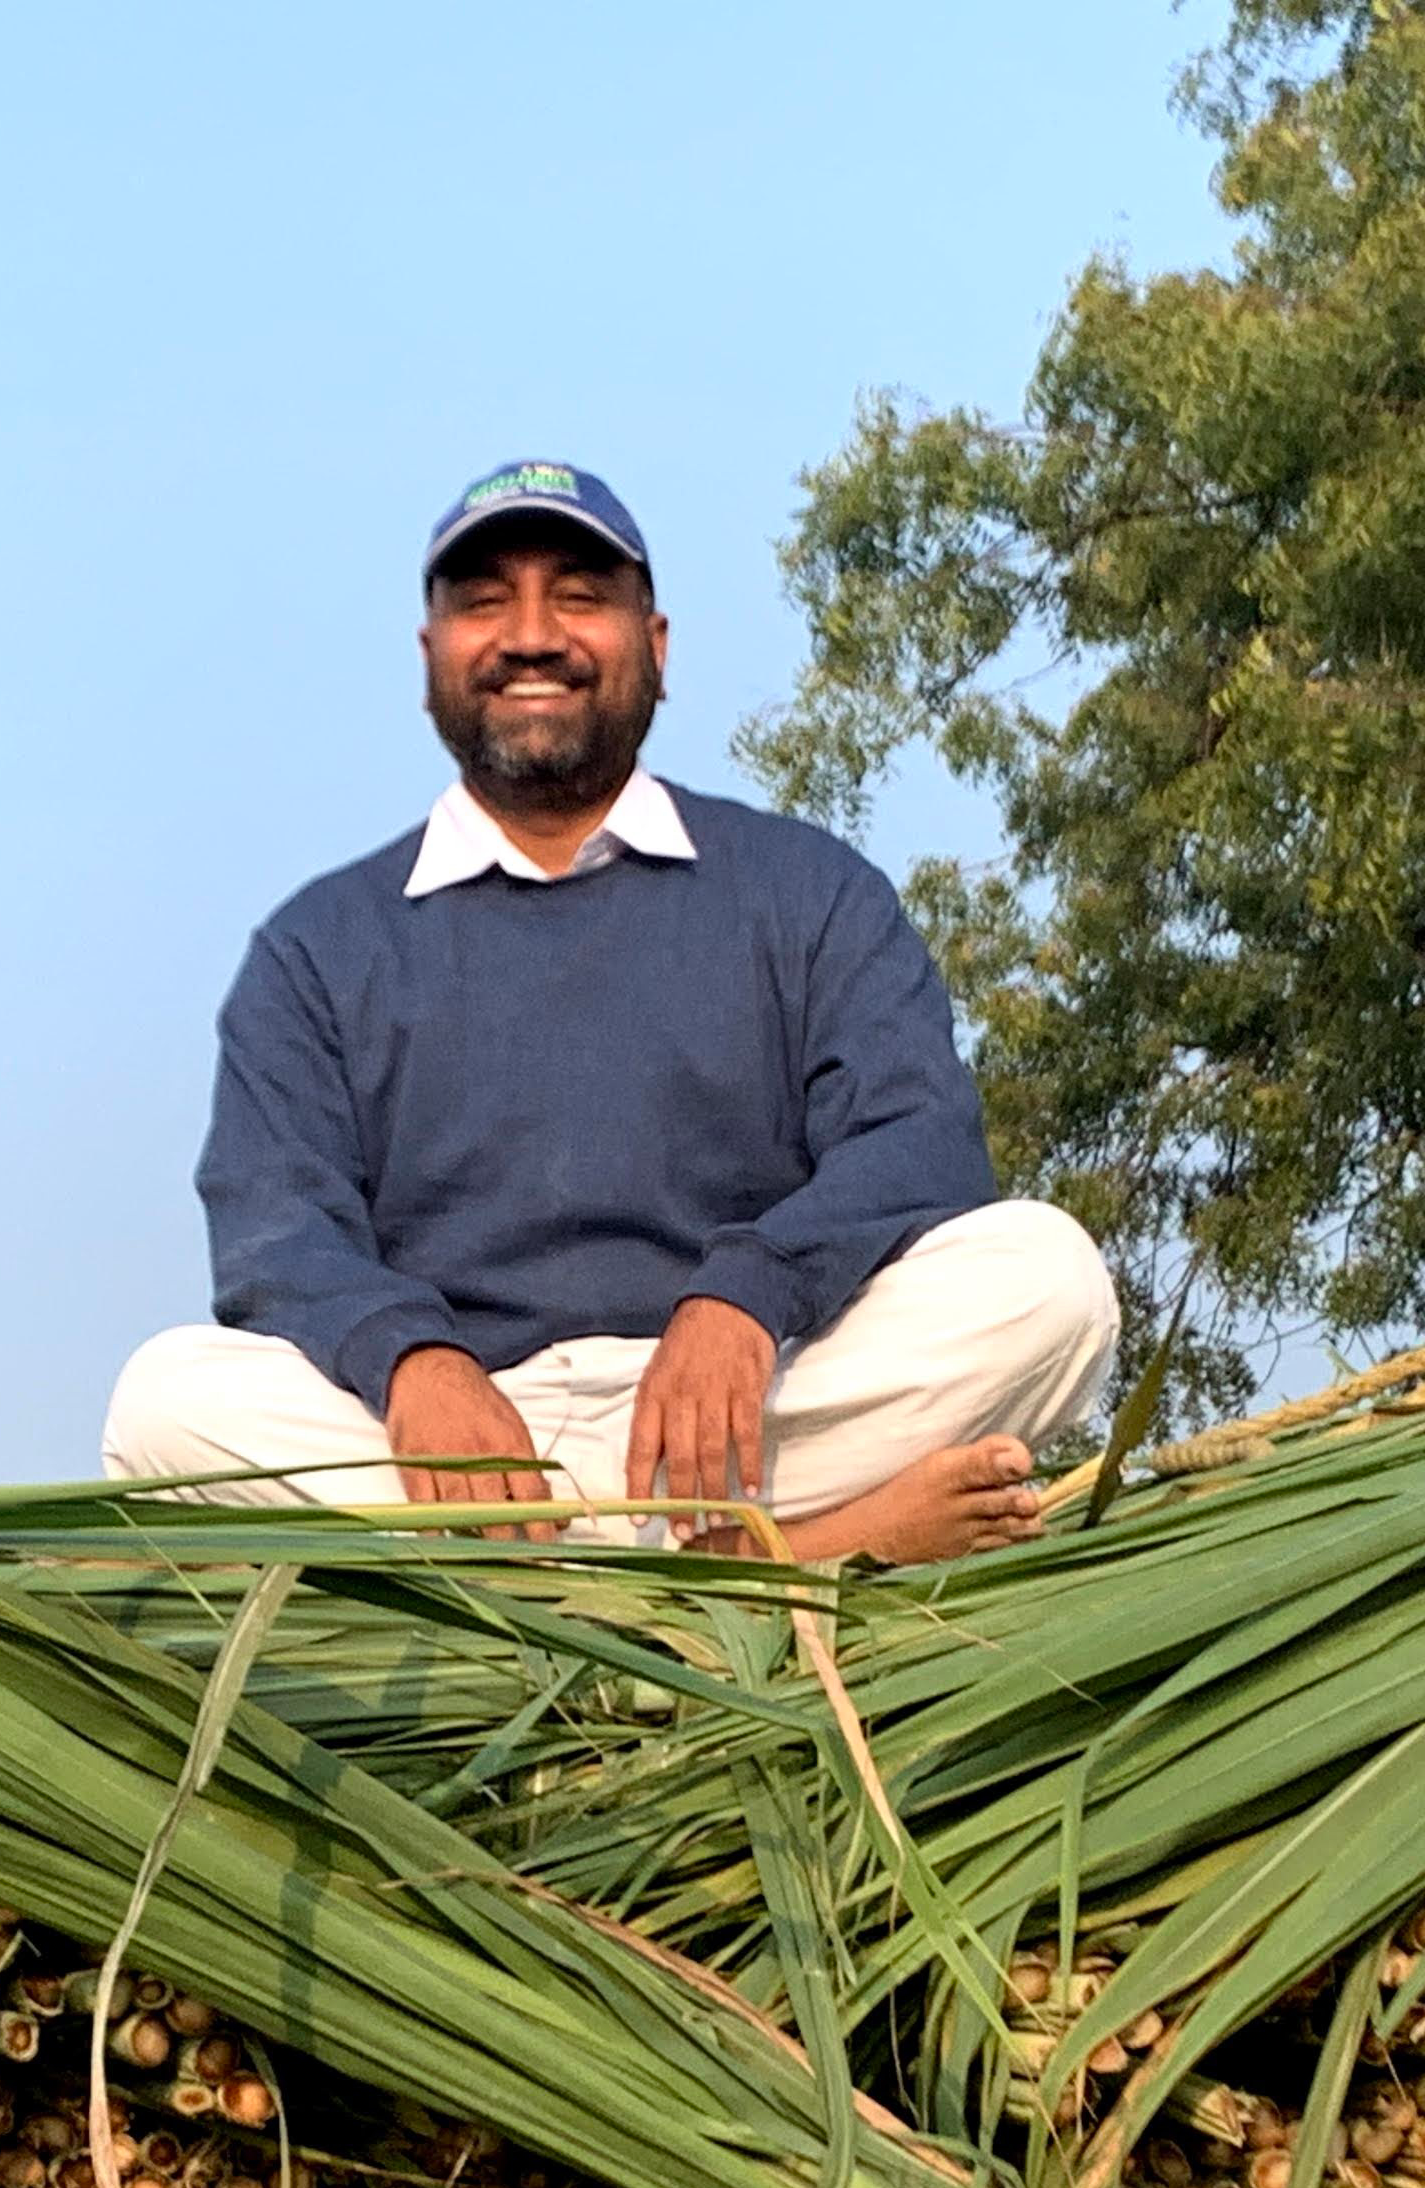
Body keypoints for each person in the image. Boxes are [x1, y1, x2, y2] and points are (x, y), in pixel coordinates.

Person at [101, 460, 1119, 1563]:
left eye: (580, 597)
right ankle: (778, 1557)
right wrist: (411, 1363)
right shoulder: (319, 948)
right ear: (431, 656)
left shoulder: (804, 891)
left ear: (658, 645)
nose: (533, 634)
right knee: (162, 1405)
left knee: (1049, 1278)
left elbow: (919, 1146)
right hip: (457, 1462)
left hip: (745, 1417)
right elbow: (274, 1229)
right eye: (486, 601)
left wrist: (745, 1295)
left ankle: (576, 1575)